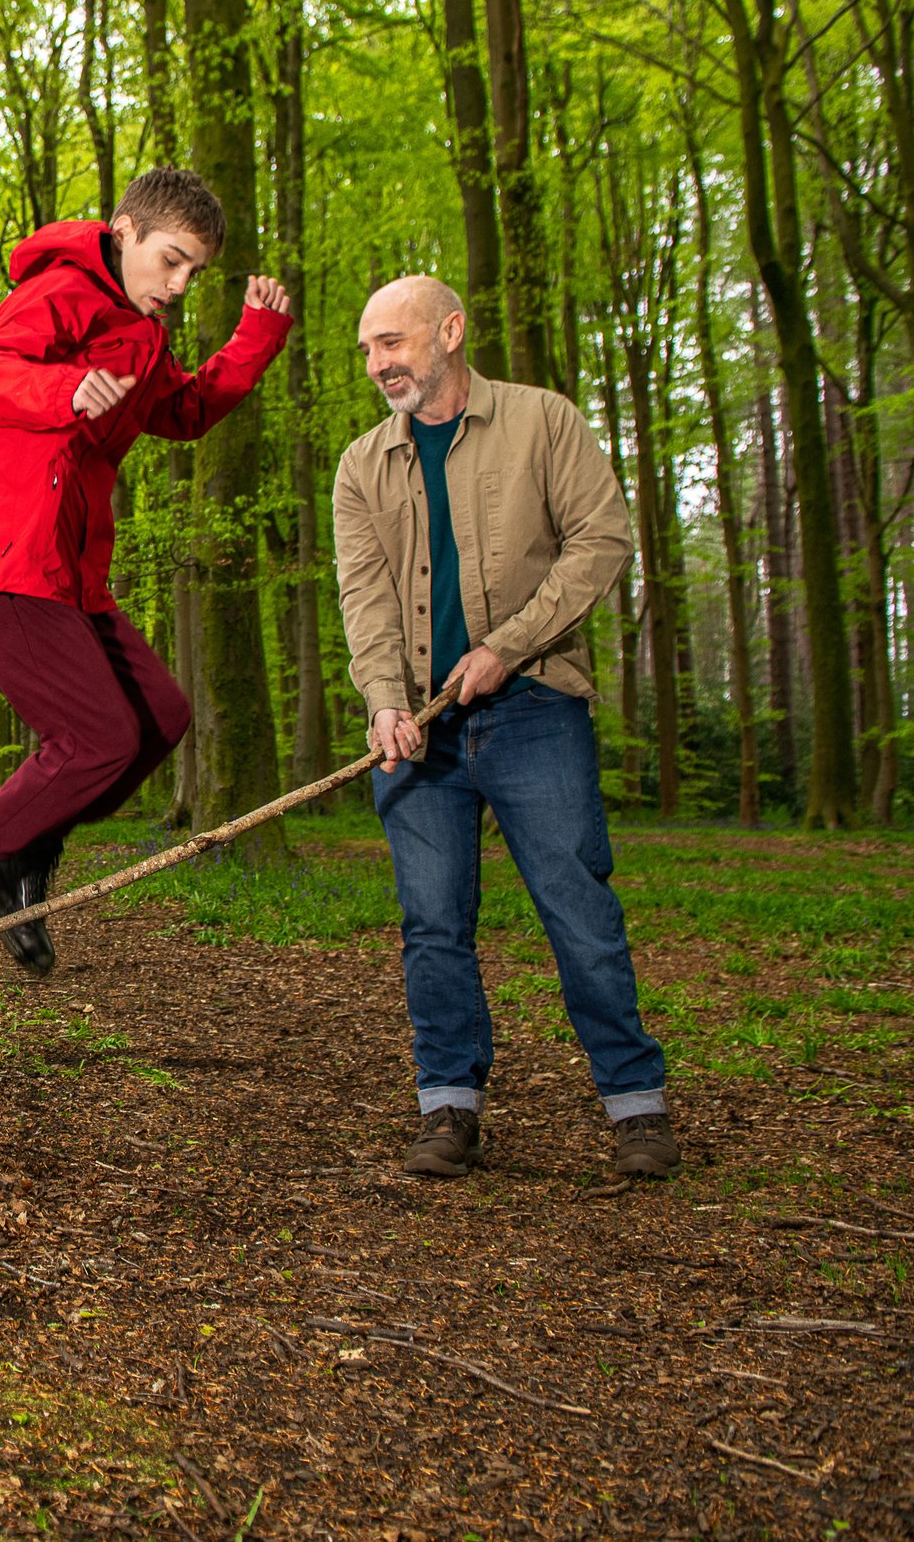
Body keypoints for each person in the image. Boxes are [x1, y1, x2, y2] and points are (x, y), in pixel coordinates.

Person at [0, 168, 292, 979]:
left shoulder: (143, 329)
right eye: (170, 260)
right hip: (7, 550)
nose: (178, 285)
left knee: (160, 717)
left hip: (69, 568)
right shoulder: (63, 288)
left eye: (194, 273)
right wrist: (67, 389)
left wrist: (252, 341)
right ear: (126, 230)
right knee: (96, 736)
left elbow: (180, 412)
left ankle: (18, 857)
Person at [334, 274, 678, 1180]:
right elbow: (364, 601)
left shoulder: (543, 421)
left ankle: (636, 1105)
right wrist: (383, 702)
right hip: (416, 731)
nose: (378, 364)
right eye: (368, 349)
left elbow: (601, 539)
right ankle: (448, 1105)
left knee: (579, 908)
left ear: (449, 332)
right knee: (432, 924)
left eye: (392, 343)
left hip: (534, 708)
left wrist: (506, 648)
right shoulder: (362, 465)